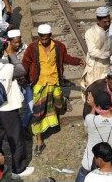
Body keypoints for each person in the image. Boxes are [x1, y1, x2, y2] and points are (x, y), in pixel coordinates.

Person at [22, 24, 85, 155]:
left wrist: (78, 61)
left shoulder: (59, 46)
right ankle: (40, 140)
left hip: (55, 83)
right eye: (41, 38)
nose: (44, 41)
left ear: (50, 36)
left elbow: (65, 58)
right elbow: (26, 63)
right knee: (37, 113)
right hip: (39, 84)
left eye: (46, 38)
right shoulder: (32, 48)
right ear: (39, 36)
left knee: (57, 105)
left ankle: (61, 104)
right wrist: (22, 78)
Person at [0, 37, 34, 179]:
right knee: (15, 138)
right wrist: (11, 54)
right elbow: (22, 70)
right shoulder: (9, 68)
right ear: (2, 51)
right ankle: (18, 169)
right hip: (8, 108)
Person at [76, 90, 112, 182]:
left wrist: (93, 107)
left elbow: (90, 117)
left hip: (89, 163)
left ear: (98, 107)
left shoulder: (90, 120)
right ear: (110, 104)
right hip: (111, 164)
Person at [82, 7, 112, 92]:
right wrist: (108, 54)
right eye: (104, 22)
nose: (107, 24)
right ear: (98, 20)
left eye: (108, 21)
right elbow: (92, 51)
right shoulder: (90, 32)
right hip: (95, 65)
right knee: (93, 90)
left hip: (109, 65)